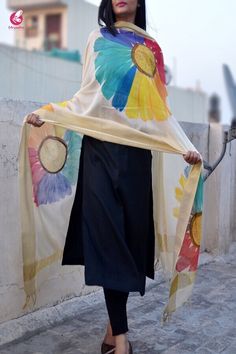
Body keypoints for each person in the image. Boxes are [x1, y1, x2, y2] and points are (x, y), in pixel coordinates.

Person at [26, 1, 202, 353]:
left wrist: (182, 145)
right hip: (98, 154)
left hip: (136, 158)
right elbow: (86, 98)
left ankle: (110, 333)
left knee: (129, 244)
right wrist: (49, 113)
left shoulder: (151, 49)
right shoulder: (97, 39)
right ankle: (121, 345)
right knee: (107, 243)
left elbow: (159, 109)